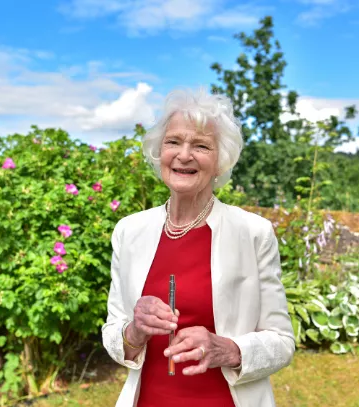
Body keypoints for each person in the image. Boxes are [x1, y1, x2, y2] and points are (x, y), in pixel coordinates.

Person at [101, 87, 295, 407]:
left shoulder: (253, 233)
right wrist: (135, 331)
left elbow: (283, 342)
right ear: (159, 152)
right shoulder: (129, 231)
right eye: (173, 141)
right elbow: (114, 334)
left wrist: (227, 349)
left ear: (220, 161)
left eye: (201, 145)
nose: (184, 154)